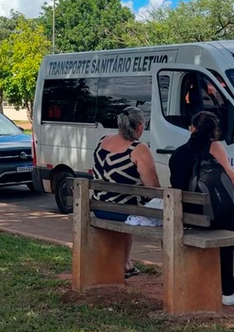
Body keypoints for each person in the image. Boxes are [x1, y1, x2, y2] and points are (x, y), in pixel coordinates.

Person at [169, 111, 234, 306]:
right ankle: (228, 290)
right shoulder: (215, 147)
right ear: (214, 131)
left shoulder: (178, 153)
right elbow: (230, 177)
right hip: (212, 217)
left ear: (192, 128)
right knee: (228, 227)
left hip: (187, 215)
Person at [92, 106, 160, 278]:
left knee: (130, 206)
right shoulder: (138, 149)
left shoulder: (103, 141)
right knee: (150, 211)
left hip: (99, 207)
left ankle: (123, 262)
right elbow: (153, 187)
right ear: (139, 127)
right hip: (122, 211)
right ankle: (126, 262)